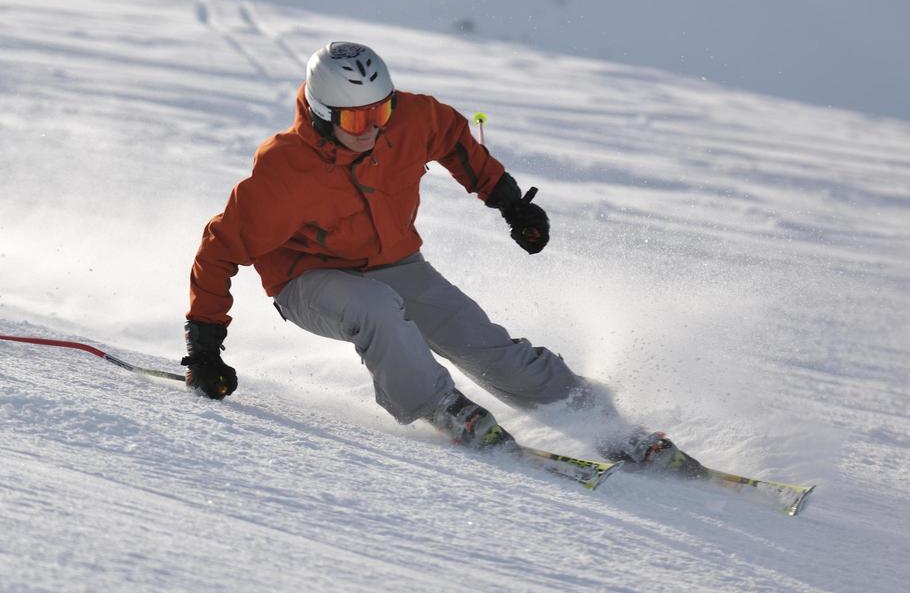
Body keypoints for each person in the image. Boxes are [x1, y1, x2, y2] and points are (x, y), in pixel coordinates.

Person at [181, 41, 701, 473]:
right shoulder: (284, 172)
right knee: (377, 310)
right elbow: (219, 250)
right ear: (320, 116)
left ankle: (593, 417)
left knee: (483, 344)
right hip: (308, 279)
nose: (373, 128)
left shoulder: (411, 118)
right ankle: (442, 408)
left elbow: (456, 141)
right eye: (357, 118)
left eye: (380, 111)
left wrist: (510, 203)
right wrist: (205, 349)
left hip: (395, 262)